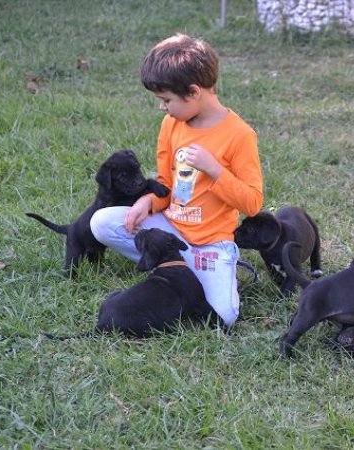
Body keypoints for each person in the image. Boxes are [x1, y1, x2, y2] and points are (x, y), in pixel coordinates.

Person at [90, 33, 263, 326]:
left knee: (224, 316)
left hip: (211, 244)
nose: (163, 107)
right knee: (101, 223)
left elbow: (253, 203)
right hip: (169, 231)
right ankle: (175, 264)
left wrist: (215, 170)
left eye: (166, 99)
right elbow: (166, 184)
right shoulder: (171, 124)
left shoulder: (240, 135)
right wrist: (148, 202)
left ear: (193, 92)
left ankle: (202, 268)